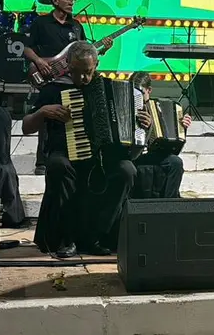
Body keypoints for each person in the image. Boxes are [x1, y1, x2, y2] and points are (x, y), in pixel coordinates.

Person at [23, 41, 135, 257]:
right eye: (77, 72)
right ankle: (67, 238)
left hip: (102, 156)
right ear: (67, 66)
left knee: (127, 170)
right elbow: (26, 126)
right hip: (65, 152)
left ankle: (96, 235)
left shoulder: (109, 88)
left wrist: (141, 124)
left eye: (88, 72)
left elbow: (129, 129)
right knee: (58, 166)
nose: (83, 78)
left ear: (97, 64)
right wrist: (42, 112)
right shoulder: (54, 89)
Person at [24, 0, 112, 175]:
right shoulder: (42, 23)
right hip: (50, 77)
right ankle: (43, 160)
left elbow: (84, 50)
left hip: (73, 78)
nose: (72, 2)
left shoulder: (76, 26)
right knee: (48, 113)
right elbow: (26, 48)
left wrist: (101, 49)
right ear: (55, 1)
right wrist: (39, 61)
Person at [129, 72, 191, 198]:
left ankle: (169, 205)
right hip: (133, 154)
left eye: (141, 93)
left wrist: (182, 127)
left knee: (175, 162)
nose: (137, 97)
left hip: (153, 154)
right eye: (133, 93)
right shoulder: (126, 106)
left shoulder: (157, 107)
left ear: (149, 90)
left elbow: (174, 147)